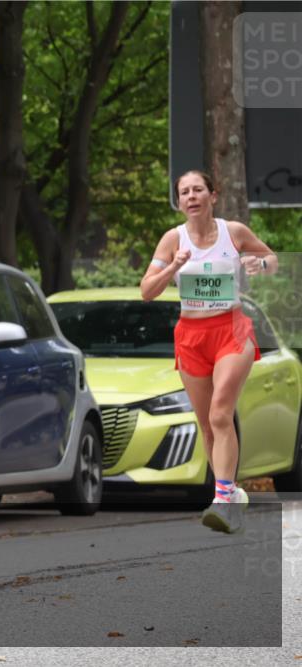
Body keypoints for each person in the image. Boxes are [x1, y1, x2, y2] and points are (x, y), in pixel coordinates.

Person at [140, 170, 278, 533]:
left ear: (212, 195)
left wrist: (258, 263)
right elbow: (147, 291)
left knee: (220, 414)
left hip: (231, 330)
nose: (191, 196)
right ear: (180, 201)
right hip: (191, 335)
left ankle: (221, 499)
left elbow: (271, 260)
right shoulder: (173, 239)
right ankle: (230, 494)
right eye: (184, 192)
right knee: (207, 425)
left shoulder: (233, 232)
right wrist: (173, 266)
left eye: (197, 189)